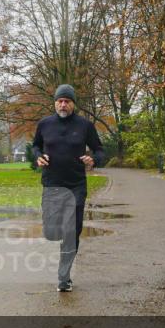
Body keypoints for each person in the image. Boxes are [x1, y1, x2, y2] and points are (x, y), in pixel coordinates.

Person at [31, 84, 105, 292]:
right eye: (60, 101)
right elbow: (35, 146)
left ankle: (64, 277)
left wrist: (93, 159)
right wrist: (38, 157)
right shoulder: (44, 124)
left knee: (72, 231)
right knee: (52, 230)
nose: (63, 104)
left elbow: (100, 150)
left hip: (76, 186)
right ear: (55, 102)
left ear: (73, 104)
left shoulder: (84, 126)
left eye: (67, 101)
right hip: (52, 184)